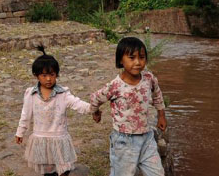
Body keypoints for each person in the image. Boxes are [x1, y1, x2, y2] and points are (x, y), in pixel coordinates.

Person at [90, 37, 167, 176]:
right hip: (124, 141)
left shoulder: (149, 78)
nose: (137, 62)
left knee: (157, 173)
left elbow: (157, 94)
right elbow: (95, 98)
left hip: (147, 137)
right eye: (132, 58)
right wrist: (95, 112)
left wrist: (161, 115)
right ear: (121, 60)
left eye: (142, 57)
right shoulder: (115, 86)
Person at [15, 46, 94, 176]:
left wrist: (92, 108)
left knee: (64, 169)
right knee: (48, 170)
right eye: (44, 75)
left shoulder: (63, 93)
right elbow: (25, 114)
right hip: (41, 140)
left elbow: (77, 103)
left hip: (59, 139)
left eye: (51, 75)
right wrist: (20, 131)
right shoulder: (31, 94)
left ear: (56, 74)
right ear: (36, 75)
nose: (48, 79)